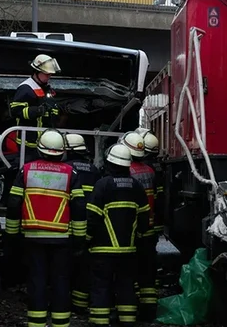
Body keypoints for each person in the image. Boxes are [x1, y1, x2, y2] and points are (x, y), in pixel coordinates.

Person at [6, 130, 81, 327]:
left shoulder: (26, 170)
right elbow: (79, 207)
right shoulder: (71, 173)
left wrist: (11, 235)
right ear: (62, 152)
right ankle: (60, 323)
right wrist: (80, 238)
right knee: (60, 281)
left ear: (40, 149)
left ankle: (36, 323)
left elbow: (13, 203)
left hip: (33, 237)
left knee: (36, 280)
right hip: (62, 238)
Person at [86, 144, 150, 327]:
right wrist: (139, 236)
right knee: (126, 286)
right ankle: (128, 321)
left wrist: (87, 239)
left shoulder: (102, 185)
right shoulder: (137, 186)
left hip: (102, 250)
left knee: (101, 286)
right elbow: (144, 217)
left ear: (110, 163)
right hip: (128, 250)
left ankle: (99, 322)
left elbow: (93, 217)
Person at [122, 131, 159, 321]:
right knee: (147, 269)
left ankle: (131, 306)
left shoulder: (127, 172)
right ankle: (149, 308)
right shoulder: (150, 171)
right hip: (149, 227)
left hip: (133, 229)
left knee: (130, 268)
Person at [63, 133, 100, 314]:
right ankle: (80, 303)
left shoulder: (66, 168)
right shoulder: (94, 170)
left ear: (68, 150)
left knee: (64, 266)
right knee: (84, 266)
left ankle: (64, 300)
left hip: (67, 224)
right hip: (89, 224)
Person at [8, 54, 62, 160]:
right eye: (46, 74)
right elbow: (16, 111)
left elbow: (52, 110)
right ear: (36, 72)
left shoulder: (46, 88)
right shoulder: (26, 88)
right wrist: (38, 110)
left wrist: (55, 111)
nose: (49, 77)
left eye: (50, 74)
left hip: (45, 142)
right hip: (28, 143)